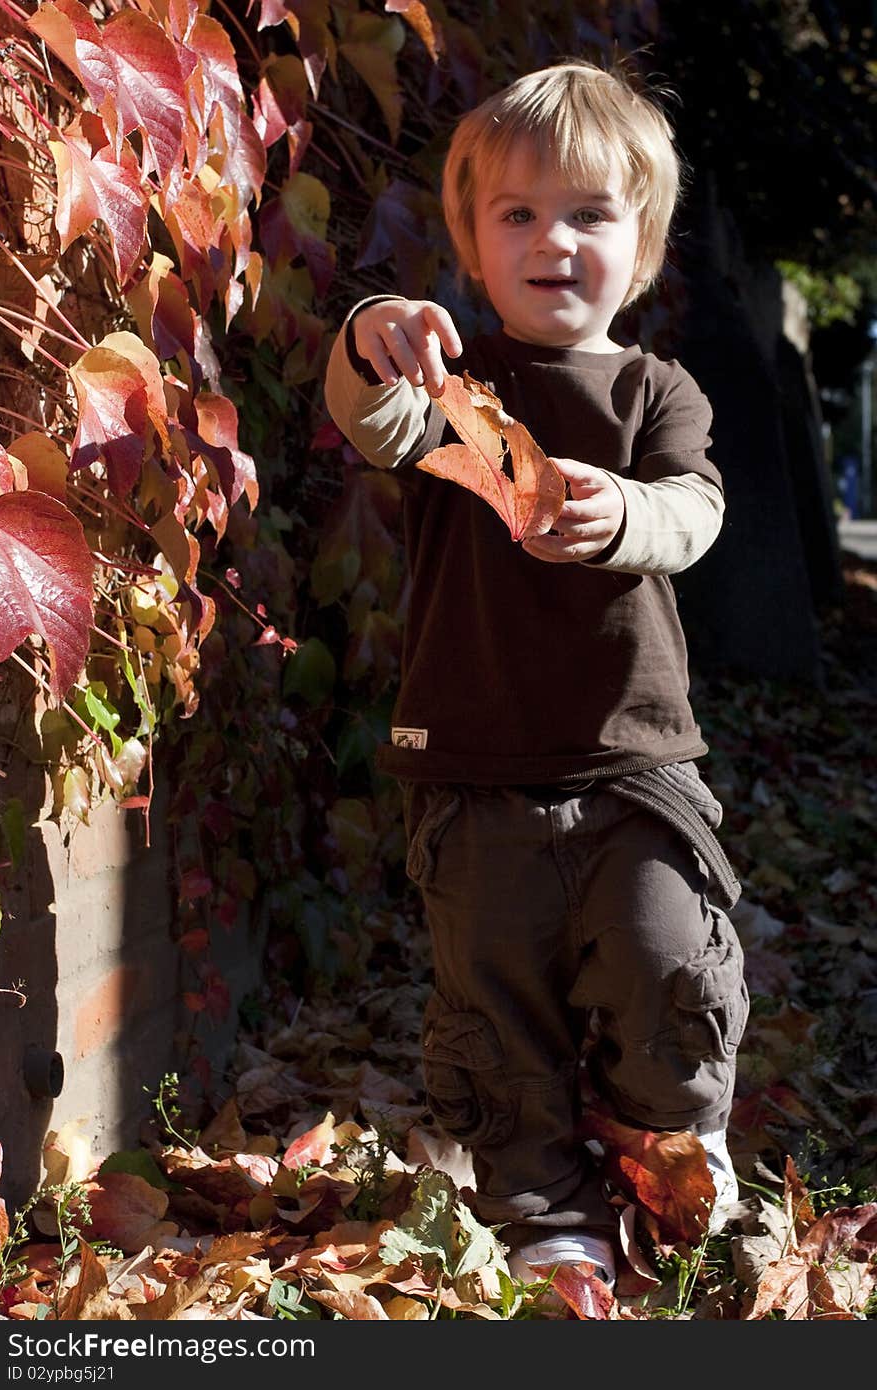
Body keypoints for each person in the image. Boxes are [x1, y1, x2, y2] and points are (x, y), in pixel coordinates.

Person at [324, 60, 749, 1291]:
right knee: (494, 1008)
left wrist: (619, 512)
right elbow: (372, 419)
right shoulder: (455, 392)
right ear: (470, 239)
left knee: (670, 958)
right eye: (516, 213)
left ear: (646, 243)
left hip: (636, 762)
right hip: (475, 766)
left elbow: (692, 513)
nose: (550, 239)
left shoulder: (654, 391)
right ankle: (542, 1208)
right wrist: (370, 334)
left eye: (588, 214)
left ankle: (662, 1137)